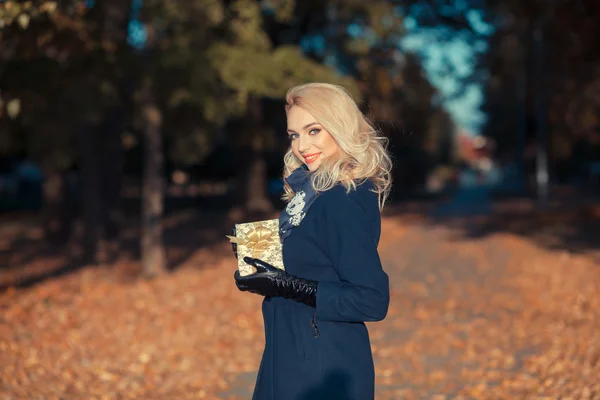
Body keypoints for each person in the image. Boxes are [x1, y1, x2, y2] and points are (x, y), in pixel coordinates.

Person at [233, 82, 393, 400]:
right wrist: (260, 269)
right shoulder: (310, 191)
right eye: (294, 134)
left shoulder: (341, 198)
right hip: (288, 352)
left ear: (340, 126)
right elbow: (312, 261)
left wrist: (291, 286)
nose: (302, 145)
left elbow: (372, 299)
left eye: (314, 130)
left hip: (322, 366)